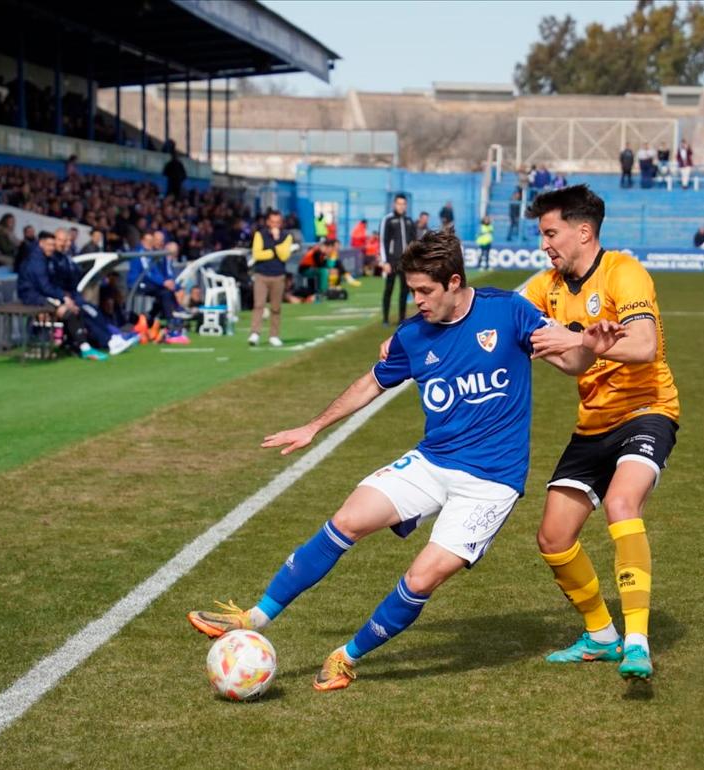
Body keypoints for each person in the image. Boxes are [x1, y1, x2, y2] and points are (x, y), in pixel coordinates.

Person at [187, 229, 607, 690]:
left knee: (423, 576)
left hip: (491, 481)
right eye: (411, 291)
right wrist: (313, 425)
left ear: (453, 281)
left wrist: (587, 347)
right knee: (348, 517)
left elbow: (570, 364)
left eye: (425, 291)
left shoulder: (508, 311)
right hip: (433, 461)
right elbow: (371, 383)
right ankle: (254, 617)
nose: (418, 301)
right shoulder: (411, 335)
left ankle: (346, 657)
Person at [521, 185, 679, 680]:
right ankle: (602, 636)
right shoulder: (545, 287)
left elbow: (646, 344)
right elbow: (564, 358)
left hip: (647, 410)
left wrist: (583, 340)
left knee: (621, 504)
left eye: (551, 233)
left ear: (583, 231)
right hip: (594, 423)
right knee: (553, 536)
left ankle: (636, 642)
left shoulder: (623, 272)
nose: (545, 244)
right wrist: (406, 338)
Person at [16, 231, 133, 360]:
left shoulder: (49, 258)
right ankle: (92, 345)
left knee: (86, 309)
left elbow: (53, 284)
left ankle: (103, 340)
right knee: (71, 311)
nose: (53, 247)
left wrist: (64, 297)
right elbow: (44, 286)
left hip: (44, 295)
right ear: (41, 244)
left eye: (53, 244)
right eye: (50, 244)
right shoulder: (38, 261)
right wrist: (63, 298)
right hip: (34, 297)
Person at [249, 208, 293, 347]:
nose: (275, 225)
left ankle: (274, 335)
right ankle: (255, 333)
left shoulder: (287, 236)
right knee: (259, 305)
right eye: (273, 222)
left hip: (278, 275)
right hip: (261, 274)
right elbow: (257, 254)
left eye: (278, 222)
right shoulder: (259, 235)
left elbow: (285, 256)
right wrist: (275, 249)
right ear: (268, 222)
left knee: (276, 307)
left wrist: (273, 245)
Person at [379, 193, 416, 326]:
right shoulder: (388, 220)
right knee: (389, 289)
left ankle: (402, 319)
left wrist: (413, 260)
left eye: (404, 204)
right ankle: (385, 319)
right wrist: (385, 262)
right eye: (399, 203)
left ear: (406, 205)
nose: (401, 206)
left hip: (405, 263)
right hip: (391, 262)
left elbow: (414, 242)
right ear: (394, 204)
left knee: (404, 291)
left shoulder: (409, 221)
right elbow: (383, 241)